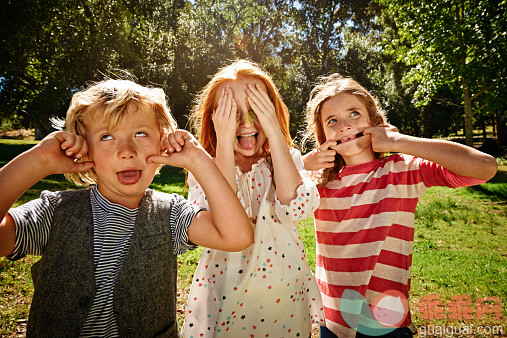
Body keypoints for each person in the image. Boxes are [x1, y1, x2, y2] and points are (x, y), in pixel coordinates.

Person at [0, 79, 253, 337]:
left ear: (162, 142)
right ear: (86, 148)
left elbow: (236, 236)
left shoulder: (173, 213)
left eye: (140, 134)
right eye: (106, 137)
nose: (126, 151)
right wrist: (38, 161)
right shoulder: (54, 212)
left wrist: (198, 160)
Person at [302, 73, 498, 338]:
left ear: (374, 121)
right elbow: (264, 184)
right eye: (332, 121)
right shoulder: (317, 183)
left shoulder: (402, 169)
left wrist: (399, 141)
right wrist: (305, 163)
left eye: (354, 114)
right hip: (333, 322)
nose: (344, 126)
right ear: (322, 134)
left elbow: (484, 167)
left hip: (387, 322)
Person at [181, 60, 325, 337]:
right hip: (224, 291)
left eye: (257, 109)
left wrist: (273, 128)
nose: (246, 122)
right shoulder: (202, 169)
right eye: (232, 112)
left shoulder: (286, 161)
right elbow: (220, 221)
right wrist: (223, 141)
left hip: (284, 293)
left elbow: (297, 207)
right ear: (215, 118)